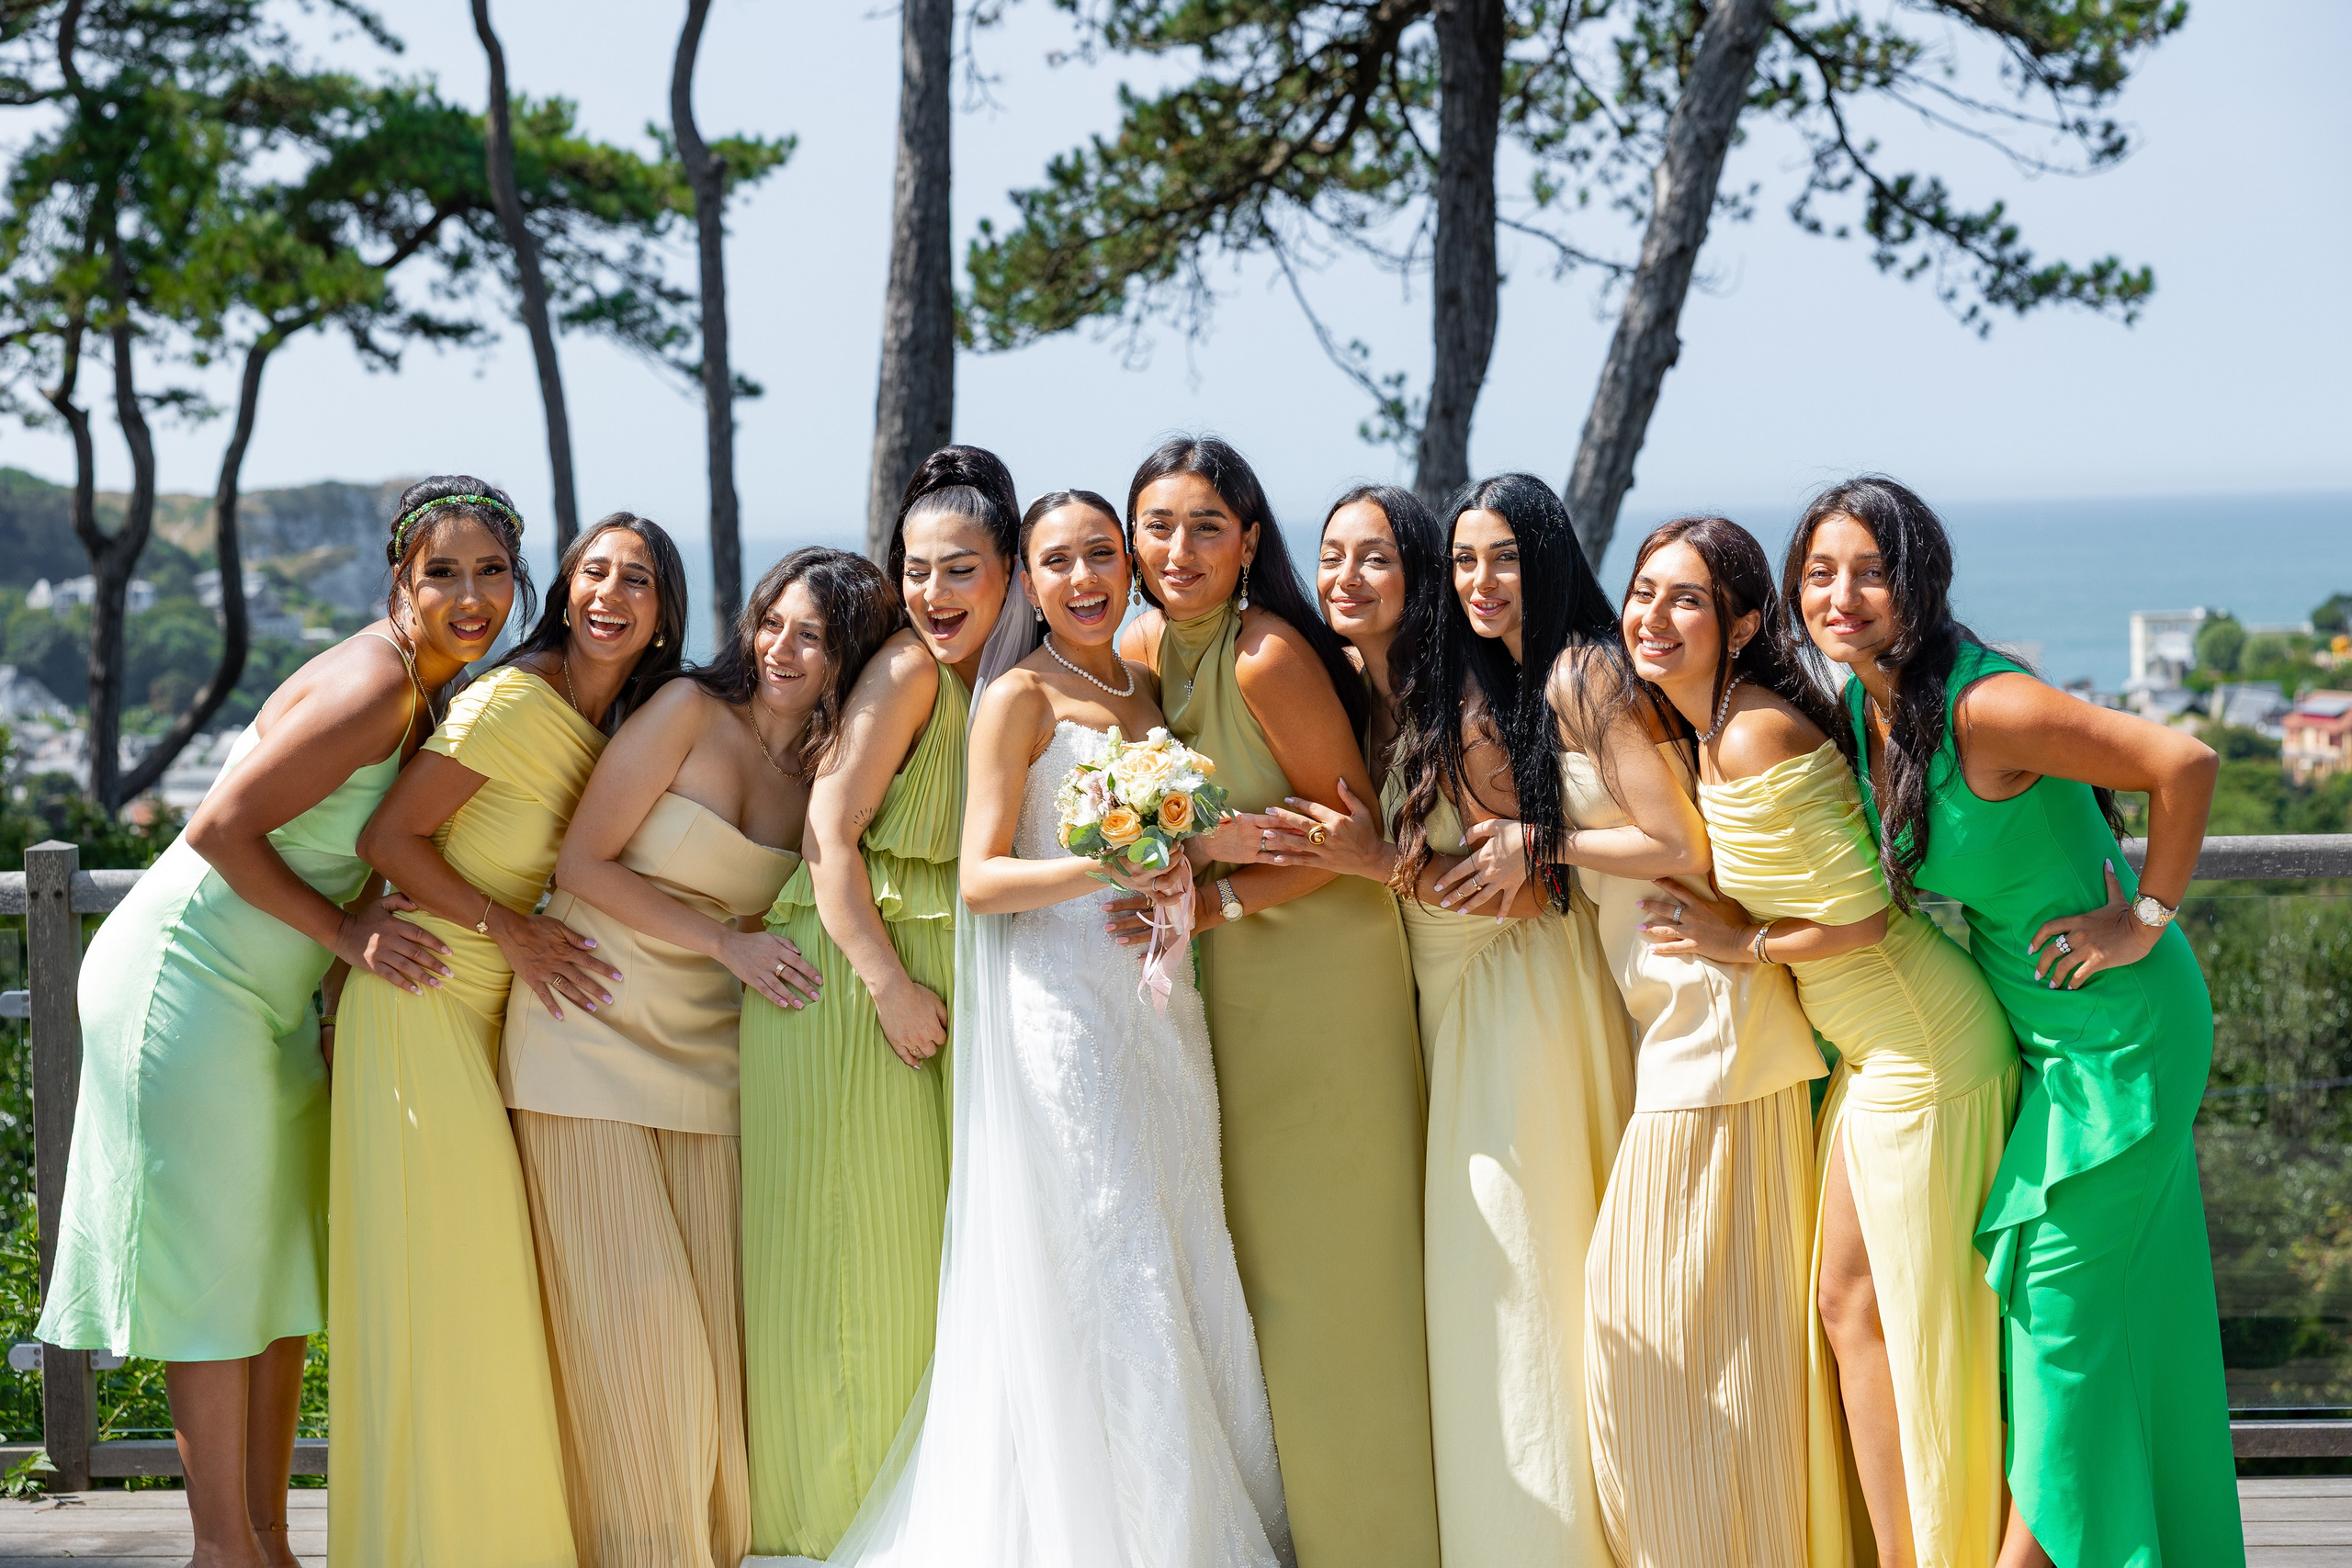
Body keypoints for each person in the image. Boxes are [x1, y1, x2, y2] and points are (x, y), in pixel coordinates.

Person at [33, 476, 506, 1568]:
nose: (469, 595)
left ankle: (269, 1543)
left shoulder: (433, 688)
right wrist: (348, 941)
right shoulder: (377, 687)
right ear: (403, 577)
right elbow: (216, 828)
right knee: (212, 1274)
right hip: (185, 982)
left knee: (274, 1272)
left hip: (268, 1001)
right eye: (444, 572)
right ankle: (221, 1552)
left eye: (490, 572)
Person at [814, 491, 1292, 1568]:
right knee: (1104, 1246)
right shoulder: (1017, 698)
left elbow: (1176, 840)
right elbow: (982, 879)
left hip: (1158, 1003)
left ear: (1126, 565)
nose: (1084, 578)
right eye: (1057, 561)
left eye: (1101, 555)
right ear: (1027, 581)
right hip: (1061, 1009)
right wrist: (1106, 864)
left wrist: (1223, 842)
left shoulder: (1139, 676)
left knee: (1175, 1233)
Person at [1789, 477, 2244, 1568]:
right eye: (1817, 572)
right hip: (2034, 1035)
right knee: (2088, 1310)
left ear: (1918, 581)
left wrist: (2142, 915)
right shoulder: (1864, 701)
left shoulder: (1985, 705)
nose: (1839, 595)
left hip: (2121, 1030)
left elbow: (2182, 763)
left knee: (2057, 1317)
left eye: (1867, 571)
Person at [1627, 515, 2017, 1568]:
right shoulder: (1705, 726)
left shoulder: (1748, 731)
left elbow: (1861, 917)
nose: (1653, 617)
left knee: (1906, 1315)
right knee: (1851, 1307)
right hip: (1870, 1050)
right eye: (1644, 592)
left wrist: (1738, 940)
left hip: (1921, 1048)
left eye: (1687, 599)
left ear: (1744, 624)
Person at [1440, 513, 1825, 1568]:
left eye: (1506, 556)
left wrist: (1538, 842)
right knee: (1708, 1345)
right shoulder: (1546, 684)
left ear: (1553, 560)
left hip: (1712, 1027)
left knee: (1642, 1339)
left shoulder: (1583, 674)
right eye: (1463, 559)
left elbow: (1676, 840)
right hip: (1673, 1026)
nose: (1482, 579)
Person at [1267, 476, 1636, 1566]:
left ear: (1415, 574)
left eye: (1376, 556)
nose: (1346, 577)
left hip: (1510, 1000)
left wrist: (1376, 861)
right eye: (1331, 555)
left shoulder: (1460, 709)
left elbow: (1526, 888)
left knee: (1515, 1278)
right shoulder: (1353, 685)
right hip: (1450, 1004)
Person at [503, 548, 890, 1567]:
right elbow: (580, 862)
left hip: (710, 1062)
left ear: (848, 656)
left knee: (715, 1346)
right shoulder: (684, 709)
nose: (779, 648)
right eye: (771, 621)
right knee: (645, 1346)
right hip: (585, 1032)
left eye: (811, 635)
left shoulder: (823, 764)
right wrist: (726, 941)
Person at [331, 510, 684, 1567]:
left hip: (498, 1018)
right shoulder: (507, 701)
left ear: (663, 615)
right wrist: (510, 932)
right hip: (425, 998)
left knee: (483, 1295)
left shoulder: (621, 721)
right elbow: (386, 839)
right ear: (563, 589)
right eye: (593, 574)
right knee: (450, 1287)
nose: (610, 596)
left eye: (637, 581)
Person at [1113, 435, 1440, 1568]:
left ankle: (1382, 1539)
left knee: (1335, 1271)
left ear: (1251, 540)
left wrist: (1215, 906)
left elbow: (1352, 848)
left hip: (1320, 981)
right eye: (1157, 525)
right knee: (1256, 1273)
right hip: (1222, 989)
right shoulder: (1146, 645)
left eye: (1206, 525)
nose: (1178, 548)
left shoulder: (1267, 658)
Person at [742, 447, 1034, 1560]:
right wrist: (888, 987)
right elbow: (829, 834)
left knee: (923, 1261)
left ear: (1008, 569)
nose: (933, 594)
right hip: (849, 983)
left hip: (941, 980)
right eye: (915, 571)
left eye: (959, 570)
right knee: (854, 1258)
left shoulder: (1012, 672)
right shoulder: (910, 671)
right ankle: (829, 1526)